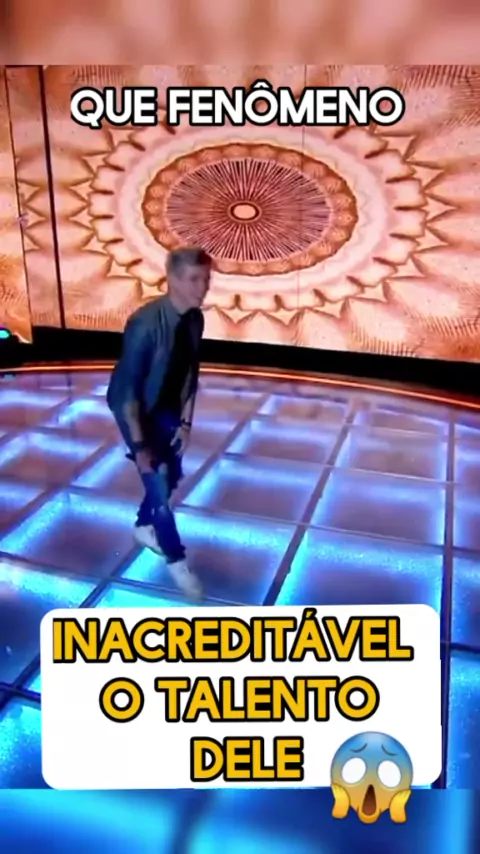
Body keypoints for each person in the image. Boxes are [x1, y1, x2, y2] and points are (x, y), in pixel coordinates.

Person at [107, 247, 212, 599]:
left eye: (206, 279)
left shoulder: (195, 319)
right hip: (135, 408)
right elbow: (128, 392)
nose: (203, 287)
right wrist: (139, 447)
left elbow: (191, 373)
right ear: (173, 280)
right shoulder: (145, 323)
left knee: (172, 472)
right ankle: (176, 560)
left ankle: (142, 526)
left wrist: (185, 422)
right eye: (194, 279)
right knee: (159, 486)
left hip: (167, 406)